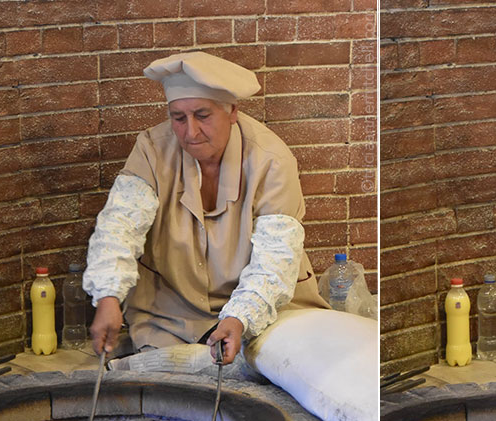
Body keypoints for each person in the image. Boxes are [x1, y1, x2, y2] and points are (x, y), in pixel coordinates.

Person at [83, 52, 328, 365]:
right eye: (178, 118)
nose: (191, 132)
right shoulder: (151, 149)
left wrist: (240, 317)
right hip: (171, 314)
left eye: (203, 115)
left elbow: (275, 258)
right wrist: (108, 296)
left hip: (266, 309)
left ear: (232, 112)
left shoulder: (271, 160)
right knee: (170, 379)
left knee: (279, 367)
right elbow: (119, 227)